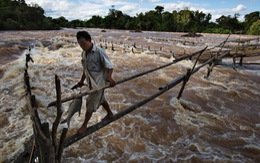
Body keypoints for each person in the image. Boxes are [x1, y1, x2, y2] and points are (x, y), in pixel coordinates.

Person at [73, 31, 116, 134]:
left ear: (89, 40)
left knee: (90, 103)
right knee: (101, 99)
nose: (82, 46)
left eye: (83, 43)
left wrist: (109, 77)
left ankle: (84, 125)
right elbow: (85, 69)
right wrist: (81, 81)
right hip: (91, 82)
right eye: (80, 44)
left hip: (99, 83)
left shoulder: (99, 52)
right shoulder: (84, 53)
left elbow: (109, 66)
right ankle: (110, 113)